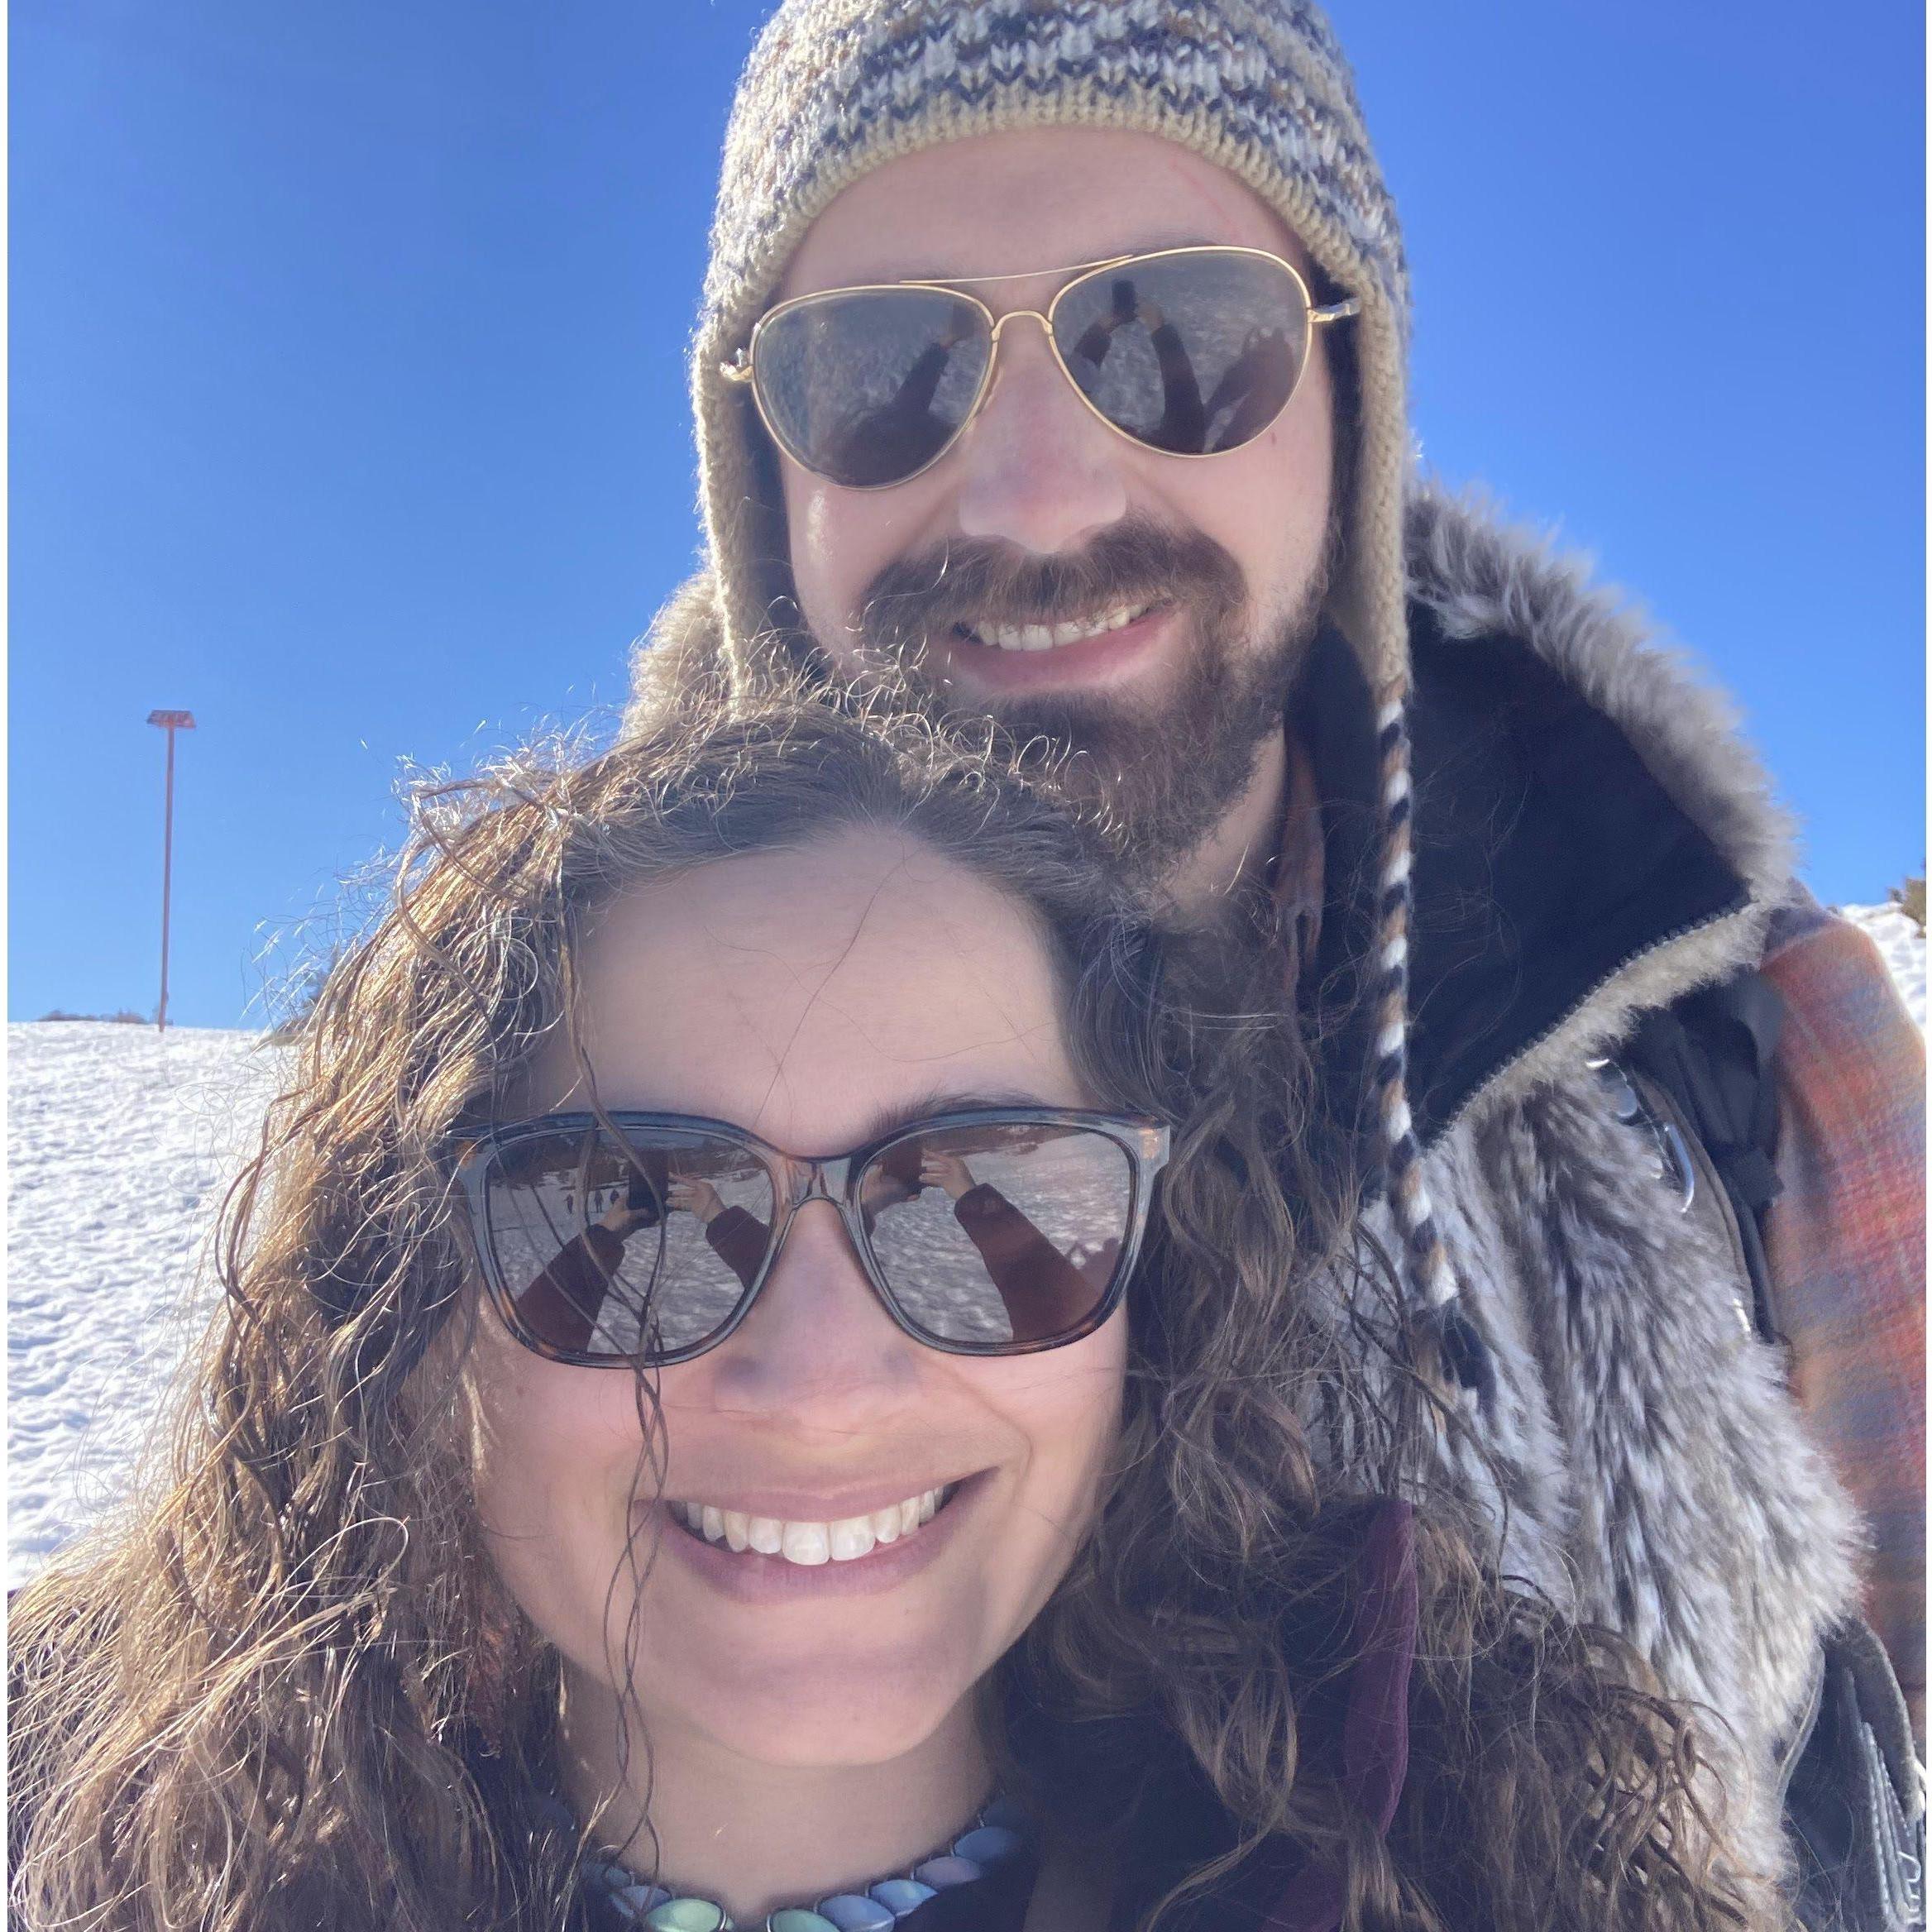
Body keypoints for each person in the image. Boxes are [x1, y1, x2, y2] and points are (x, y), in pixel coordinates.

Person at [624, 2, 1925, 1909]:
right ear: (766, 480)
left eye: (1179, 342)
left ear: (1348, 405)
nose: (1036, 502)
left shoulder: (1753, 1053)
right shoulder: (559, 1122)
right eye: (883, 370)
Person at [10, 701, 1766, 1930]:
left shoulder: (1486, 1858)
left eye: (989, 1207)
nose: (822, 1379)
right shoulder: (79, 1846)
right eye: (629, 1213)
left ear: (1147, 1287)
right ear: (417, 1300)